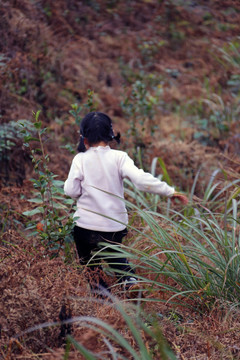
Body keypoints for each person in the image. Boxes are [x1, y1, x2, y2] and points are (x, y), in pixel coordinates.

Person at [64, 111, 188, 297]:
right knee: (115, 256)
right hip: (114, 226)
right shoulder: (119, 157)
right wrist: (168, 191)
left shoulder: (80, 159)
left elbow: (71, 191)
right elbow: (140, 180)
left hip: (85, 226)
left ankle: (101, 296)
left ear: (84, 138)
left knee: (90, 264)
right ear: (111, 134)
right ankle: (129, 282)